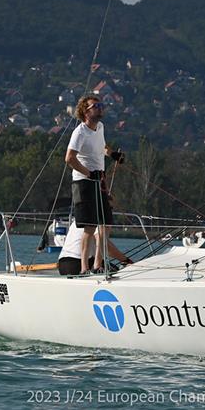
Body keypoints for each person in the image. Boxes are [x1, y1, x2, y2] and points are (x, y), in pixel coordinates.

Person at [61, 95, 131, 275]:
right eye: (96, 106)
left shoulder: (100, 127)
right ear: (86, 111)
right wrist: (88, 173)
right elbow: (69, 158)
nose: (100, 108)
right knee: (90, 226)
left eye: (101, 105)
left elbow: (102, 147)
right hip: (83, 182)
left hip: (99, 178)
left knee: (105, 224)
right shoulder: (80, 132)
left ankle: (97, 265)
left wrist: (113, 154)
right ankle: (84, 268)